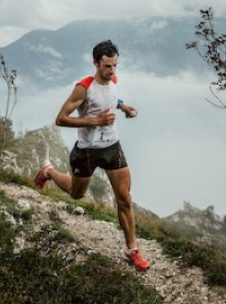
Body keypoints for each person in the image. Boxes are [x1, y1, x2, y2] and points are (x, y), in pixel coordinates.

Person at [34, 40, 149, 271]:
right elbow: (61, 118)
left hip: (111, 147)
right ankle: (49, 171)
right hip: (86, 151)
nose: (112, 71)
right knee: (77, 194)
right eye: (107, 66)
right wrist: (95, 121)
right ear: (96, 63)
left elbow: (110, 98)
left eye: (115, 65)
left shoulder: (113, 80)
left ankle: (132, 250)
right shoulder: (83, 87)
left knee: (124, 199)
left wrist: (124, 107)